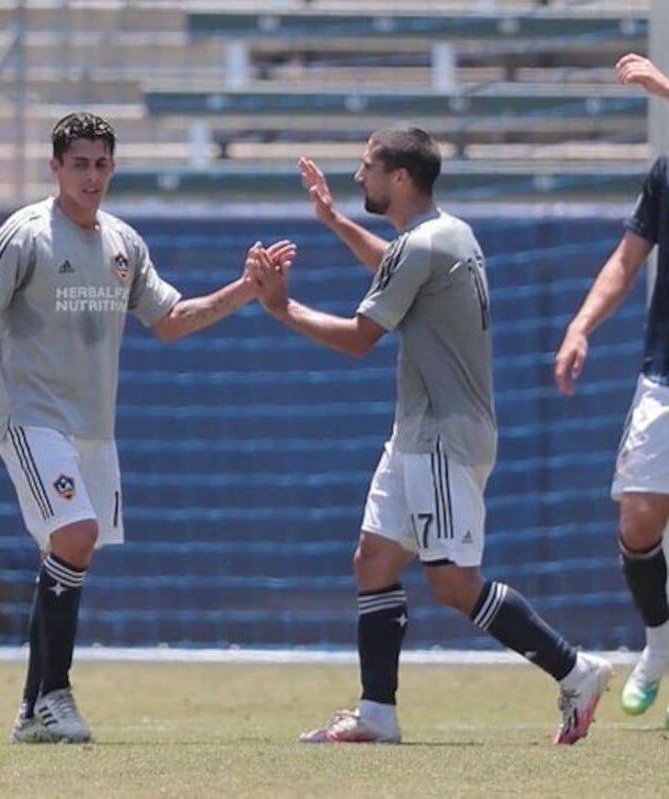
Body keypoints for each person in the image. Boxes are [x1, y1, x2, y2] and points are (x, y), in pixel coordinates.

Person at [0, 110, 297, 743]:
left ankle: (32, 707)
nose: (92, 177)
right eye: (80, 165)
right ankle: (57, 695)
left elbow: (171, 319)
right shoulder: (25, 234)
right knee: (77, 534)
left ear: (112, 167)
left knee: (66, 552)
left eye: (101, 165)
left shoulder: (123, 243)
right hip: (32, 419)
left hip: (94, 428)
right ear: (56, 168)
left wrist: (245, 290)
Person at [246, 126, 612, 745]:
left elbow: (360, 337)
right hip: (418, 434)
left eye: (367, 167)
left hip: (444, 436)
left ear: (400, 178)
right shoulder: (444, 234)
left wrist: (281, 307)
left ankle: (575, 670)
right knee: (374, 560)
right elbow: (395, 269)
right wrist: (334, 219)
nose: (358, 176)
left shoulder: (422, 246)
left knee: (452, 583)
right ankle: (377, 713)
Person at [554, 52, 669, 722]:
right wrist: (581, 324)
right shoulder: (664, 174)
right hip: (665, 369)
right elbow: (627, 260)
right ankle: (658, 642)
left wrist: (662, 86)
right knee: (638, 516)